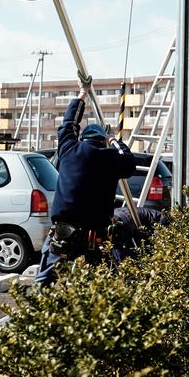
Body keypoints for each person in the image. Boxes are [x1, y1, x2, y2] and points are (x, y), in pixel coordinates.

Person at [35, 80, 137, 286]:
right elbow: (130, 163)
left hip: (64, 232)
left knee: (46, 281)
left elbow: (68, 123)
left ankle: (37, 311)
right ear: (102, 140)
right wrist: (115, 141)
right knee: (93, 284)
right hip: (95, 237)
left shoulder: (69, 149)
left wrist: (83, 93)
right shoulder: (111, 158)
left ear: (82, 138)